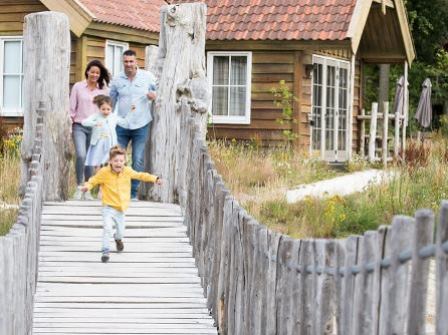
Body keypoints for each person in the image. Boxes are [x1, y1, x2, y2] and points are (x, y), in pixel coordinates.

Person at [80, 146, 162, 263]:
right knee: (107, 228)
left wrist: (155, 178)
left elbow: (140, 175)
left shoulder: (127, 171)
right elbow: (93, 180)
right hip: (108, 207)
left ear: (124, 161)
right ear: (110, 161)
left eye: (121, 161)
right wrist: (87, 186)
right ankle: (105, 251)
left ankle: (118, 239)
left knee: (120, 232)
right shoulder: (104, 172)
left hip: (121, 209)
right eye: (116, 161)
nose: (118, 163)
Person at [109, 49, 157, 200]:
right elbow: (111, 101)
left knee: (137, 158)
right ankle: (117, 191)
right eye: (126, 61)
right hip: (121, 125)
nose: (128, 64)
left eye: (131, 61)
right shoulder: (117, 80)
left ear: (136, 62)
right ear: (123, 62)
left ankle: (133, 193)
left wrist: (153, 96)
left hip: (141, 124)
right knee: (117, 158)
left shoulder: (147, 77)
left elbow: (157, 93)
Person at [70, 60, 110, 200]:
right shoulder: (78, 87)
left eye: (97, 73)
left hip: (95, 129)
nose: (94, 74)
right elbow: (71, 108)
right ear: (87, 71)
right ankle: (79, 187)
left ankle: (87, 189)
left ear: (100, 75)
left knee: (89, 159)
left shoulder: (103, 90)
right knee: (81, 155)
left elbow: (106, 110)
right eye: (92, 71)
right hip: (79, 126)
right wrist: (70, 123)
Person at [82, 95, 129, 168]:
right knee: (98, 163)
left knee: (109, 163)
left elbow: (125, 123)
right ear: (99, 108)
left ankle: (107, 178)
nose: (106, 111)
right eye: (103, 109)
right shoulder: (96, 116)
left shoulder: (113, 117)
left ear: (111, 108)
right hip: (99, 143)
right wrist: (95, 123)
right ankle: (98, 177)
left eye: (108, 109)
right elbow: (84, 122)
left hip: (111, 144)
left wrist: (131, 113)